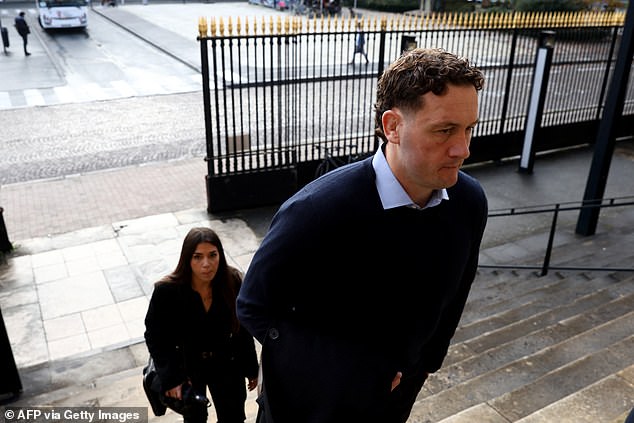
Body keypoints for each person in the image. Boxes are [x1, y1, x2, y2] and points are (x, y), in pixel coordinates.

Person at [237, 48, 487, 423]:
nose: (462, 149)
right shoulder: (316, 210)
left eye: (469, 129)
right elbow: (253, 306)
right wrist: (352, 374)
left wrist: (428, 362)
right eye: (444, 130)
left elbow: (456, 292)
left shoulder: (469, 202)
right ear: (392, 127)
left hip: (397, 399)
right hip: (310, 406)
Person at [145, 227, 259, 423]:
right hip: (188, 366)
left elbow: (242, 330)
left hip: (226, 364)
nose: (206, 264)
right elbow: (155, 337)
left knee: (233, 417)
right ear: (187, 259)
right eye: (197, 257)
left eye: (212, 255)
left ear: (220, 256)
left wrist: (251, 369)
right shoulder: (167, 291)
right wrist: (172, 378)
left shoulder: (232, 281)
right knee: (195, 418)